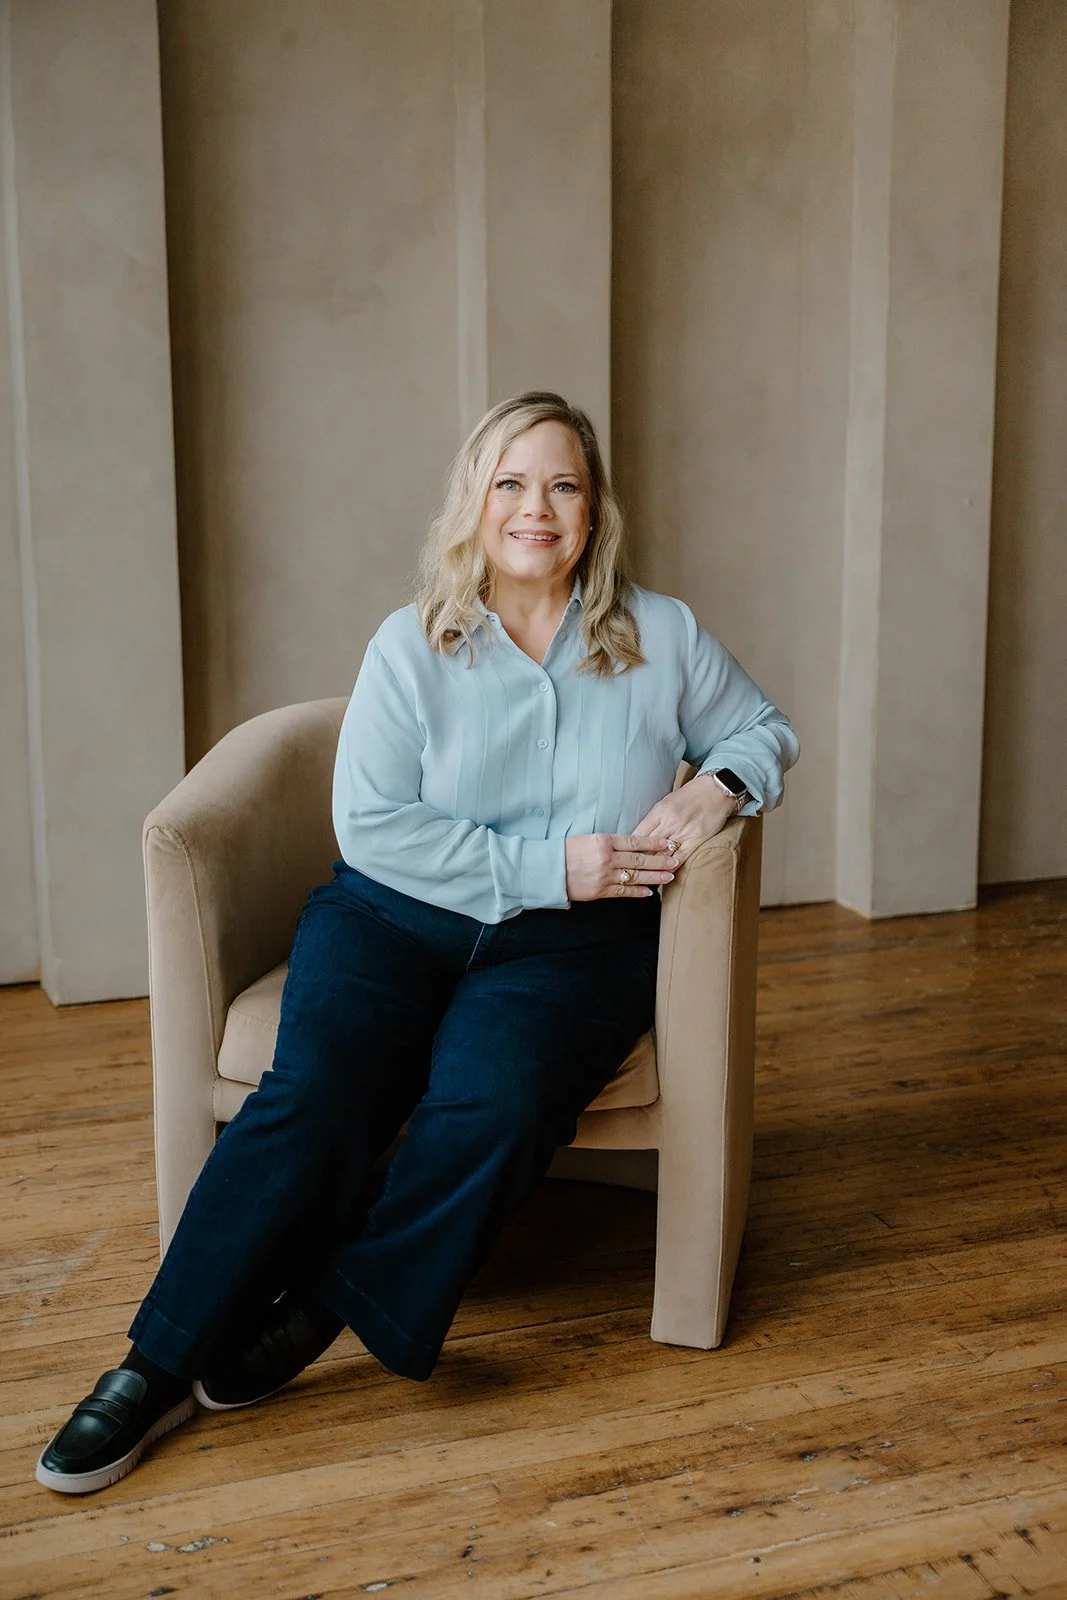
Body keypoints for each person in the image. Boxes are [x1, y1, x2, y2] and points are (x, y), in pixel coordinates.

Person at [36, 391, 799, 1494]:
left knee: (493, 1099)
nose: (536, 507)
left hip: (572, 947)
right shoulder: (413, 643)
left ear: (593, 509)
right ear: (475, 504)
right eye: (511, 483)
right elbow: (375, 825)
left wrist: (719, 787)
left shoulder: (663, 636)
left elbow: (762, 727)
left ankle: (330, 1304)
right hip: (393, 915)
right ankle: (152, 1363)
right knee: (316, 1093)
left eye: (562, 483)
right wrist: (554, 863)